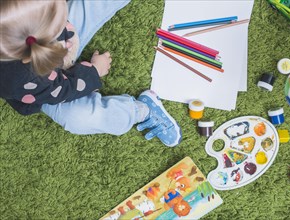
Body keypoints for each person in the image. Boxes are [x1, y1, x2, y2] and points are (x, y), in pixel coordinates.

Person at [0, 0, 182, 147]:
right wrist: (93, 70)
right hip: (46, 92)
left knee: (88, 6)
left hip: (36, 52)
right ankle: (142, 111)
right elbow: (63, 90)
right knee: (78, 118)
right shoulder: (24, 78)